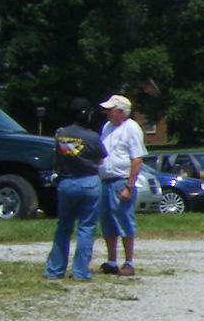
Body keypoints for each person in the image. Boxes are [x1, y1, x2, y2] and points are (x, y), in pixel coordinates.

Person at [44, 99, 105, 280]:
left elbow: (58, 156)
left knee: (63, 227)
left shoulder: (61, 134)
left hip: (67, 183)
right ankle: (80, 271)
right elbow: (101, 159)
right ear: (87, 115)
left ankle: (55, 270)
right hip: (89, 182)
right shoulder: (93, 137)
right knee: (86, 227)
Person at [96, 93, 146, 276]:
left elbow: (137, 159)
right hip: (106, 180)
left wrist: (129, 186)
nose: (108, 113)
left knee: (124, 220)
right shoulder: (107, 127)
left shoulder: (131, 128)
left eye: (111, 110)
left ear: (121, 112)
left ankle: (129, 262)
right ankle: (111, 260)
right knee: (107, 221)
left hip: (121, 181)